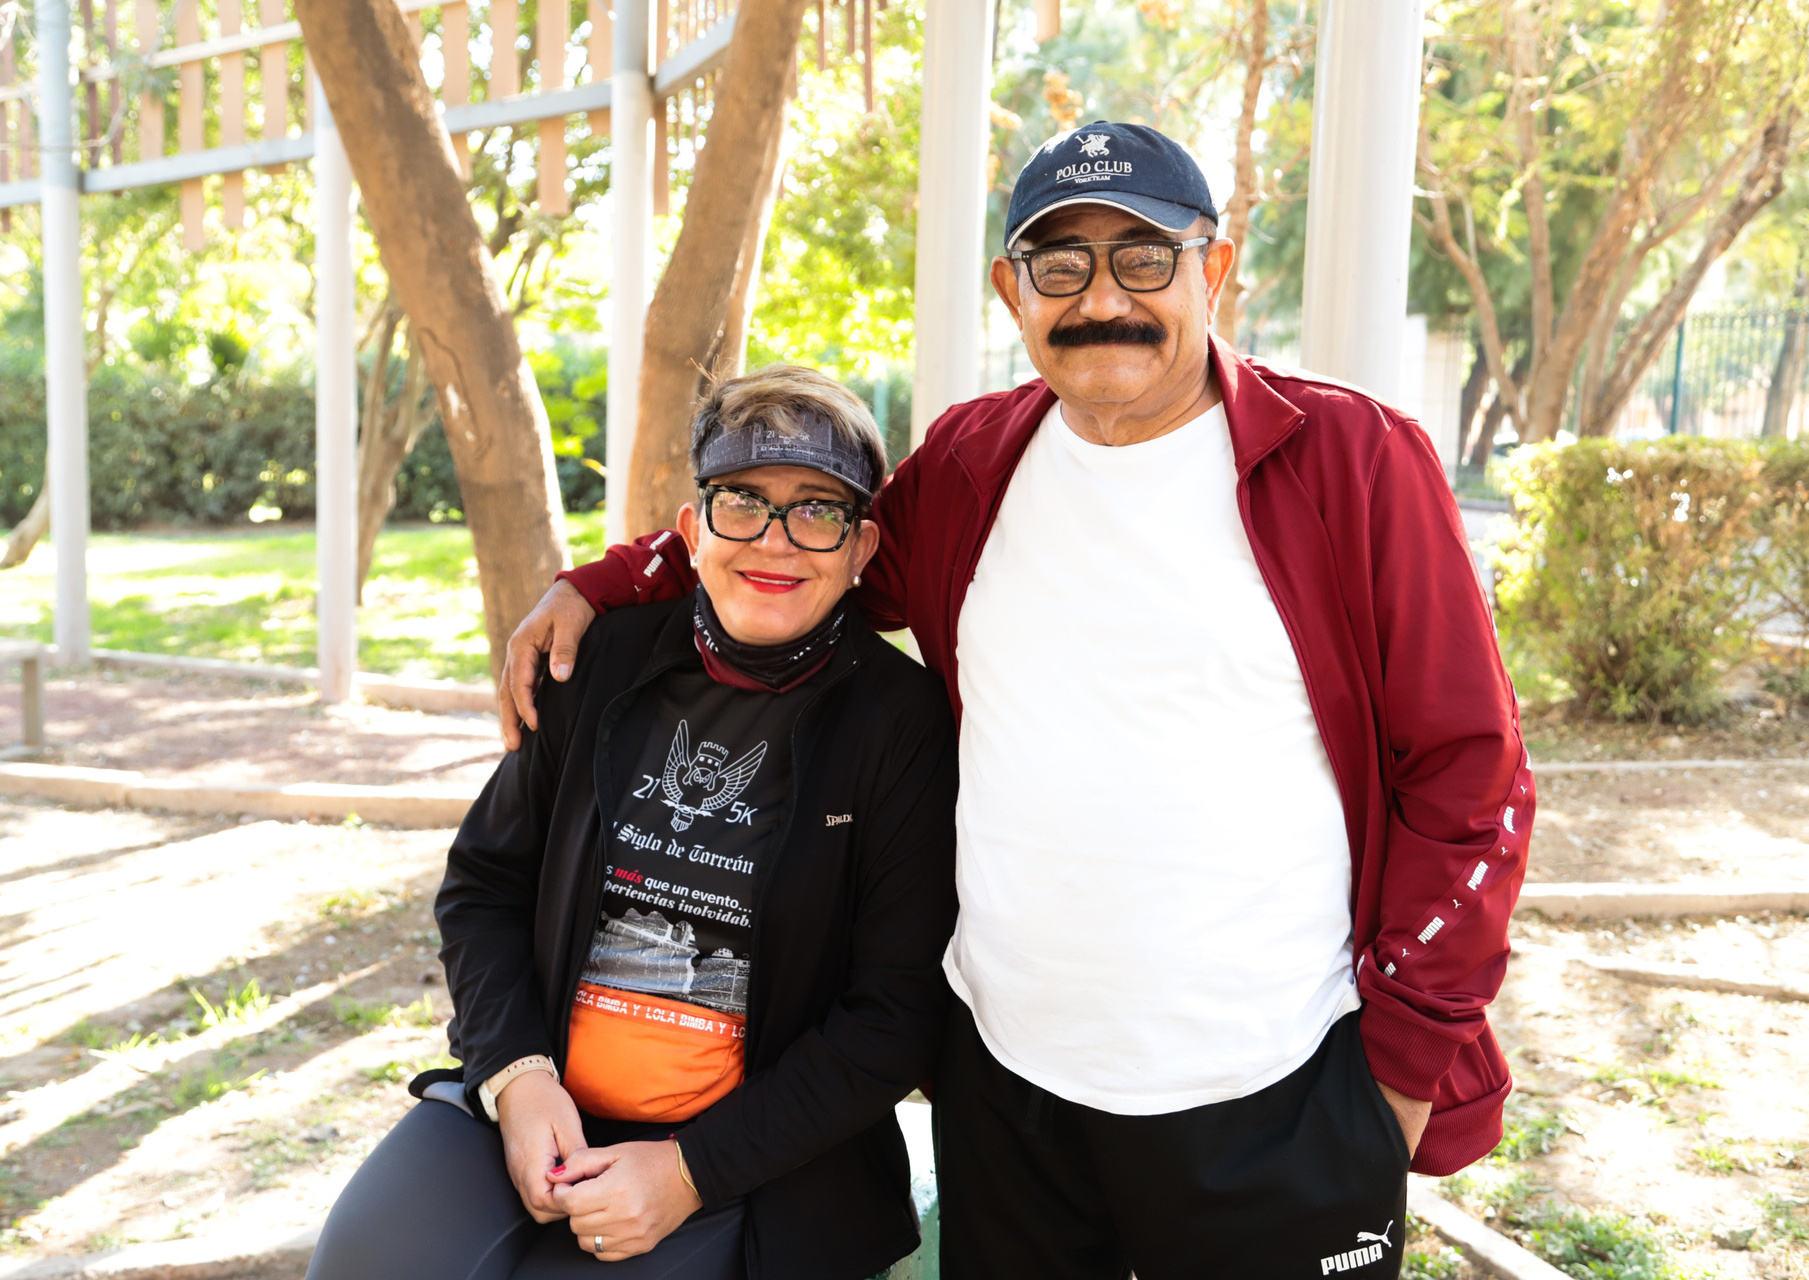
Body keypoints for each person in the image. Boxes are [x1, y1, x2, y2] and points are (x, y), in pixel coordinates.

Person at [501, 121, 1536, 1280]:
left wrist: (1398, 1075)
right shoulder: (974, 463)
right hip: (1008, 1091)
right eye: (1061, 264)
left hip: (1277, 1089)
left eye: (1143, 256)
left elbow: (1471, 769)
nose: (1103, 298)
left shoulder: (1350, 460)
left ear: (1216, 268)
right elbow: (805, 548)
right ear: (1011, 288)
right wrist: (609, 580)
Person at [306, 366, 958, 1280]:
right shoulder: (597, 664)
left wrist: (692, 1171)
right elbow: (485, 885)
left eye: (818, 511)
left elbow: (894, 1017)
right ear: (693, 533)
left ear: (861, 550)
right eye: (742, 503)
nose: (776, 540)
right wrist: (517, 1079)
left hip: (758, 1157)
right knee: (367, 1261)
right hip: (541, 1104)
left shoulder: (900, 724)